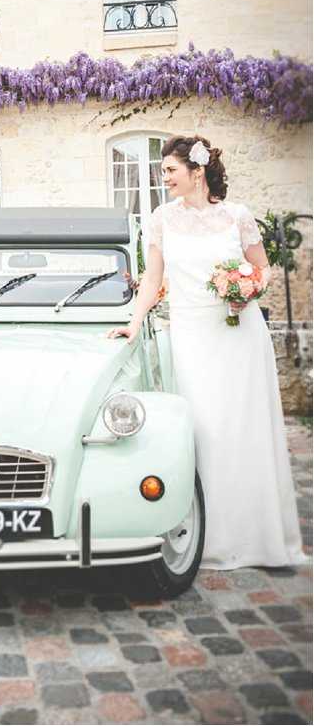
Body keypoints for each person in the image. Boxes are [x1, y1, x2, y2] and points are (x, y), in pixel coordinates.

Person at [108, 134, 307, 570]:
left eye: (170, 171)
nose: (165, 179)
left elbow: (262, 269)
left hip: (239, 336)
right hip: (192, 335)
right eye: (163, 172)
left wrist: (248, 291)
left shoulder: (238, 216)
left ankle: (255, 536)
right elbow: (151, 277)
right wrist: (134, 321)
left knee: (242, 429)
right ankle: (204, 532)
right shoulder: (162, 218)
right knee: (201, 431)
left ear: (196, 172)